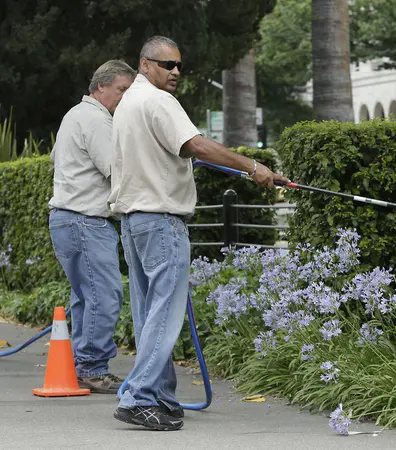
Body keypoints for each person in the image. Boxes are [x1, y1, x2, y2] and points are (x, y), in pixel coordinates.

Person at [110, 36, 288, 431]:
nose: (175, 72)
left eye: (178, 65)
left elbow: (173, 151)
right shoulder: (158, 102)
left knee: (148, 314)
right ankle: (139, 397)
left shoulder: (128, 104)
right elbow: (195, 144)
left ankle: (160, 396)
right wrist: (253, 166)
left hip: (134, 222)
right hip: (160, 221)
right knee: (165, 314)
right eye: (166, 64)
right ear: (144, 64)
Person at [48, 60, 137, 394]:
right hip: (86, 221)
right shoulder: (98, 120)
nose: (125, 98)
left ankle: (80, 365)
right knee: (105, 294)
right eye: (121, 90)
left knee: (86, 297)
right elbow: (118, 172)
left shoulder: (74, 115)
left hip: (66, 220)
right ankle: (91, 368)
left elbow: (56, 158)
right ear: (100, 87)